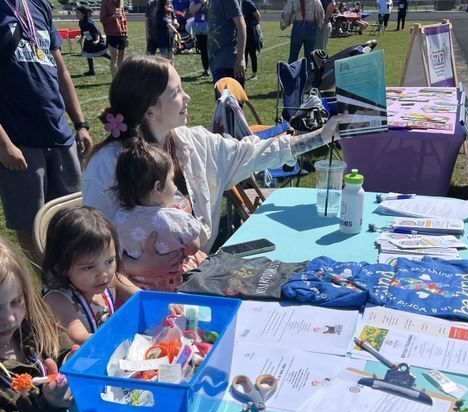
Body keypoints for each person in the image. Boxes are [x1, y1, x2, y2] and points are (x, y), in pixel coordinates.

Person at [82, 56, 341, 280]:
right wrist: (139, 266)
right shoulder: (106, 165)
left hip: (198, 275)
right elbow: (93, 251)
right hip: (138, 293)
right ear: (151, 111)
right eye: (176, 92)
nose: (187, 97)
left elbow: (250, 152)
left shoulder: (193, 141)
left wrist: (320, 136)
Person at [0, 0, 92, 264]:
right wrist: (4, 145)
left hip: (59, 133)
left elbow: (61, 69)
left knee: (72, 217)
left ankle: (72, 286)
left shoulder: (39, 5)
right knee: (31, 225)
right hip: (20, 140)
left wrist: (80, 124)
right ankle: (46, 287)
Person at [0, 237, 73, 412]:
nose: (10, 318)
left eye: (16, 301)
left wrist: (70, 362)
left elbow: (59, 347)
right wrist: (46, 405)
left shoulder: (33, 325)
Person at [113, 139, 205, 291]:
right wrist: (184, 216)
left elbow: (119, 254)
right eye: (171, 179)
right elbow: (194, 247)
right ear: (158, 187)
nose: (174, 185)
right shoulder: (175, 218)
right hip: (177, 281)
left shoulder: (119, 219)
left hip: (142, 286)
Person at [42, 206, 139, 344]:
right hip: (80, 359)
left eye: (109, 261)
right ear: (61, 266)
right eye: (88, 267)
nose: (103, 273)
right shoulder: (57, 298)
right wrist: (119, 338)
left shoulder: (112, 279)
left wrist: (167, 305)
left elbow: (142, 297)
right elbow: (79, 337)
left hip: (107, 351)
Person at [207, 0, 246, 87]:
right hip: (217, 61)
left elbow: (241, 25)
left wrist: (239, 59)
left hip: (228, 63)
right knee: (221, 100)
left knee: (229, 100)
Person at [280, 0, 325, 65]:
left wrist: (284, 24)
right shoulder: (315, 1)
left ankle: (292, 73)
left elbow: (286, 12)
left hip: (298, 26)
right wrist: (320, 26)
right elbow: (320, 14)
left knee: (293, 55)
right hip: (311, 27)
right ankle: (308, 73)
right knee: (309, 56)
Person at [75, 4, 110, 76]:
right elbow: (83, 31)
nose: (76, 14)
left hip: (96, 39)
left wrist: (97, 40)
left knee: (103, 53)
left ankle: (116, 61)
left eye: (78, 13)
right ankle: (91, 71)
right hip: (89, 39)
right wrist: (81, 39)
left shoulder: (89, 22)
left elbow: (96, 31)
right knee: (88, 54)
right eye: (76, 13)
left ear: (83, 14)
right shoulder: (81, 22)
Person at [100, 0, 128, 77]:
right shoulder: (105, 3)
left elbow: (124, 21)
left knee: (121, 58)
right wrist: (113, 17)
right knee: (114, 57)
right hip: (111, 34)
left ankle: (121, 77)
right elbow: (102, 19)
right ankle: (114, 78)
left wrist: (126, 34)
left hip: (121, 34)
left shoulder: (120, 3)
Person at [189, 0, 209, 76]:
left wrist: (206, 3)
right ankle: (206, 69)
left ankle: (215, 68)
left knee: (212, 49)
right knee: (203, 49)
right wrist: (201, 3)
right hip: (198, 27)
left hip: (210, 26)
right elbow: (191, 10)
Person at [242, 0, 260, 80]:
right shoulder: (239, 3)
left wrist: (255, 26)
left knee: (252, 53)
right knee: (243, 53)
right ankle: (243, 72)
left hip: (250, 31)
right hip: (243, 31)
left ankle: (254, 73)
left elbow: (258, 15)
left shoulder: (248, 3)